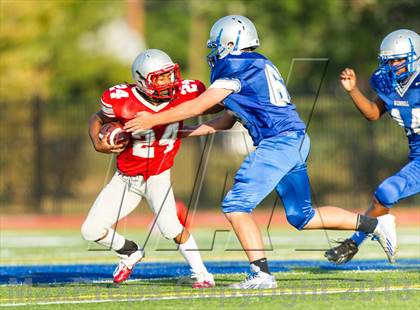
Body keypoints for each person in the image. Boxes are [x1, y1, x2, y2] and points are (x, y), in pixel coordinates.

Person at [124, 16, 397, 289]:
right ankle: (375, 225)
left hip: (278, 142)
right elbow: (226, 120)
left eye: (216, 44)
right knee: (302, 216)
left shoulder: (235, 66)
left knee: (235, 205)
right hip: (295, 139)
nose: (214, 51)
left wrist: (152, 119)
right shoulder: (258, 63)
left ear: (230, 43)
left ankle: (261, 274)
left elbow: (198, 106)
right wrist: (182, 133)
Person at [81, 49, 215, 288]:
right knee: (90, 230)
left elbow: (215, 105)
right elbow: (97, 118)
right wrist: (97, 141)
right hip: (126, 178)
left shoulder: (186, 92)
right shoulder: (121, 99)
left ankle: (203, 274)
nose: (169, 83)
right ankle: (130, 252)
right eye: (160, 78)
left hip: (158, 176)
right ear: (142, 81)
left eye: (170, 75)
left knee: (170, 227)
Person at [325, 29, 419, 264]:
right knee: (385, 193)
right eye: (388, 60)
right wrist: (353, 91)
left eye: (397, 59)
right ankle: (353, 243)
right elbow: (373, 113)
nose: (392, 65)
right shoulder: (386, 82)